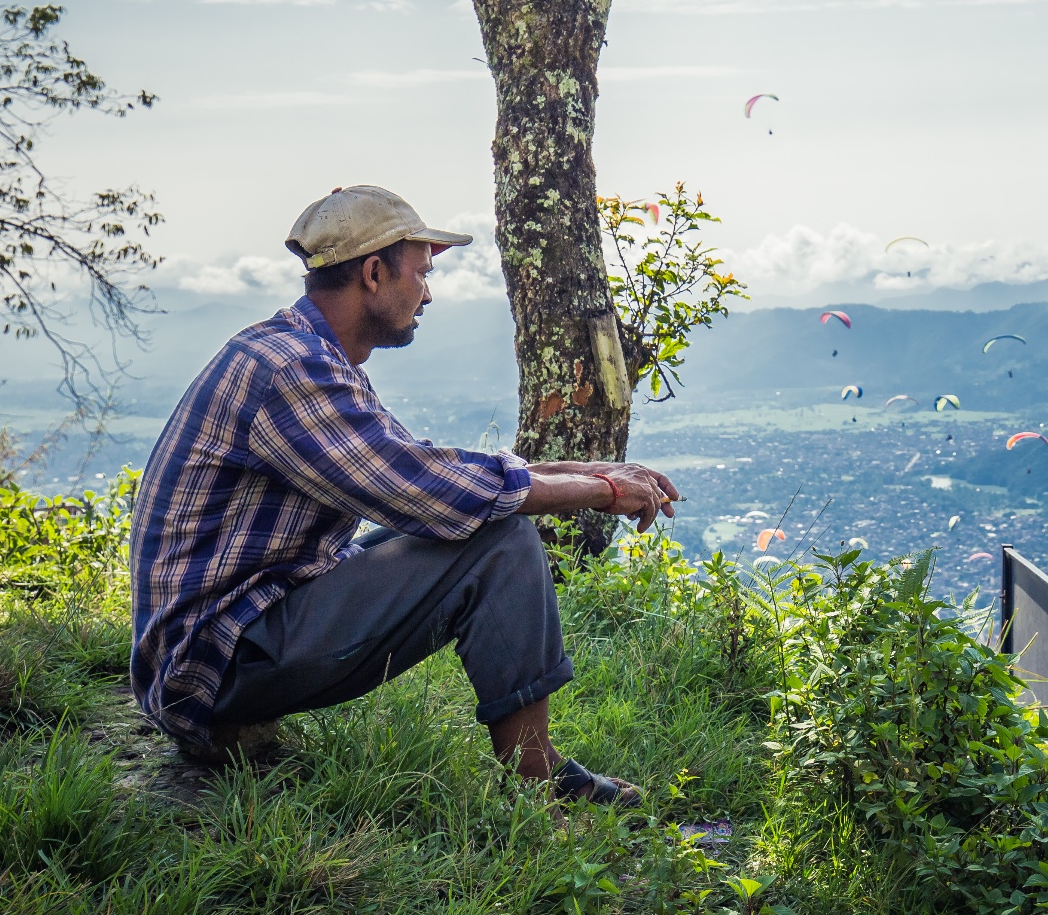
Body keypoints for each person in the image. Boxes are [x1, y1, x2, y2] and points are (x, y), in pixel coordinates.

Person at [129, 185, 679, 807]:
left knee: (484, 513)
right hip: (210, 663)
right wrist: (601, 491)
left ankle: (241, 726)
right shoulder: (294, 369)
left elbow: (416, 466)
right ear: (373, 273)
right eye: (421, 272)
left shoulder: (299, 353)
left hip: (217, 647)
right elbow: (428, 489)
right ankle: (539, 779)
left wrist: (586, 468)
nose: (429, 292)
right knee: (498, 532)